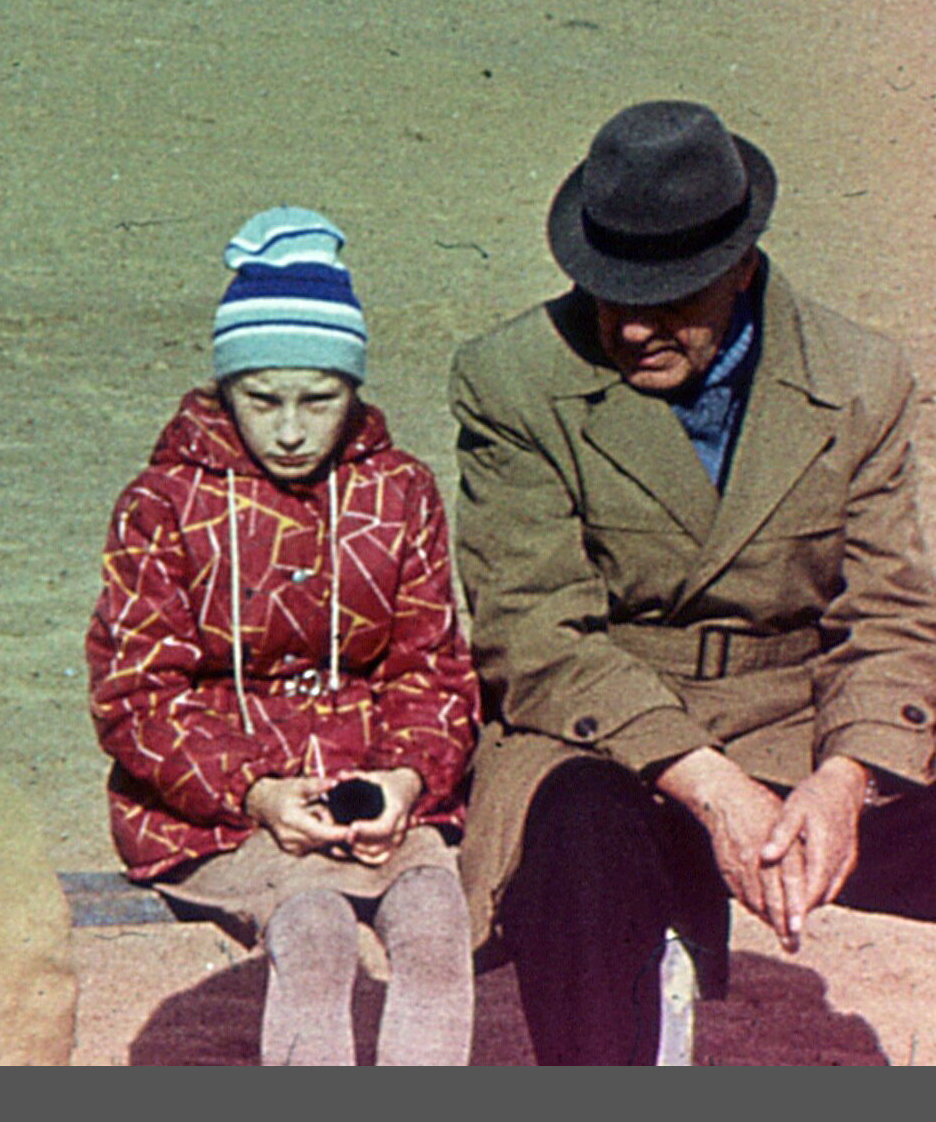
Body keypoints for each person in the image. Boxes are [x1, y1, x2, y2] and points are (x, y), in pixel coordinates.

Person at [453, 99, 936, 1064]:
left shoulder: (861, 378)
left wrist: (845, 780)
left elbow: (888, 615)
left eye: (670, 299)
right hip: (600, 734)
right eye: (608, 293)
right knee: (578, 847)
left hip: (798, 720)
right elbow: (534, 634)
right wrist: (712, 788)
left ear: (741, 269)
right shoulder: (511, 379)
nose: (633, 328)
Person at [88, 208, 476, 1065]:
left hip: (373, 796)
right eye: (263, 400)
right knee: (315, 931)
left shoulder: (400, 492)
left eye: (320, 399)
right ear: (226, 389)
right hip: (217, 814)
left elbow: (431, 666)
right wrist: (257, 793)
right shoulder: (162, 504)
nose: (292, 430)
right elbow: (136, 696)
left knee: (436, 924)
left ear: (354, 392)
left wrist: (405, 778)